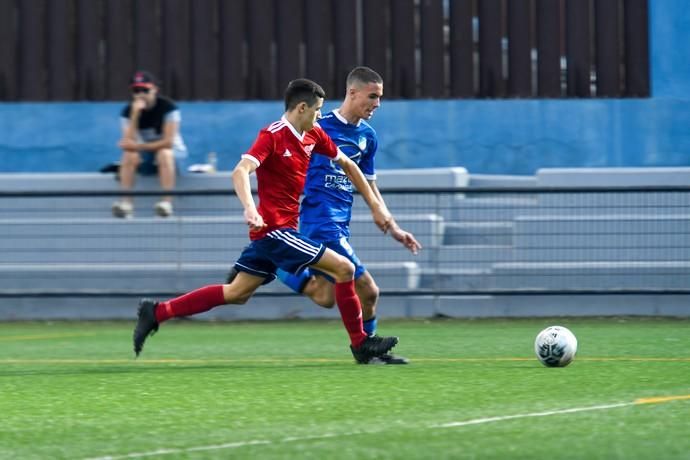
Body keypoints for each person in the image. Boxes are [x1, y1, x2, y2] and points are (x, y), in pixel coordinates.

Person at [132, 78, 400, 364]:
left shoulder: (313, 135)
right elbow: (240, 171)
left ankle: (157, 312)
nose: (320, 116)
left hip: (277, 234)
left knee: (236, 293)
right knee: (344, 269)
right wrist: (250, 208)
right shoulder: (272, 135)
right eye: (317, 110)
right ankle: (360, 343)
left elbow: (348, 164)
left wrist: (375, 205)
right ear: (301, 108)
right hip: (272, 231)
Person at [228, 66, 421, 365]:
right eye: (372, 96)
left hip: (342, 223)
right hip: (320, 220)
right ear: (352, 93)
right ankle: (367, 350)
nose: (377, 104)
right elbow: (281, 158)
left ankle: (277, 265)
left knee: (325, 296)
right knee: (368, 290)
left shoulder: (367, 137)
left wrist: (387, 219)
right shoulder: (317, 125)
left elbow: (367, 181)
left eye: (380, 98)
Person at [112, 70, 187, 218]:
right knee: (128, 155)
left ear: (155, 90)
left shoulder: (168, 107)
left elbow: (168, 142)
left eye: (145, 90)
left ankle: (166, 203)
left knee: (164, 153)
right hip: (146, 155)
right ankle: (126, 204)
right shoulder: (128, 111)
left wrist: (138, 147)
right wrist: (134, 115)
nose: (140, 94)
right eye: (136, 90)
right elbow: (127, 143)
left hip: (173, 154)